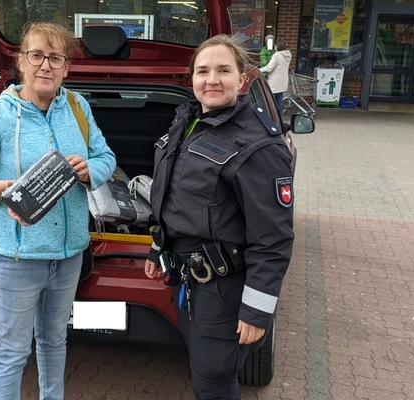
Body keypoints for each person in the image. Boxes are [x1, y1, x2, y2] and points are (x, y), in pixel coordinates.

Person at [0, 22, 116, 400]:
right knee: (12, 352)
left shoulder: (77, 108)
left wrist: (90, 169)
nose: (46, 65)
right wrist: (1, 189)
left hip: (68, 255)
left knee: (54, 341)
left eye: (55, 58)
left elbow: (106, 156)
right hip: (16, 260)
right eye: (37, 55)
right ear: (22, 62)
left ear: (65, 67)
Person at [144, 34, 294, 399]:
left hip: (225, 289)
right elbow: (175, 196)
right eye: (203, 71)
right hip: (189, 277)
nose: (212, 79)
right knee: (203, 370)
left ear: (243, 79)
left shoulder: (260, 144)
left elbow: (273, 238)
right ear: (191, 78)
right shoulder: (187, 121)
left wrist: (258, 311)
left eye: (224, 70)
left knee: (214, 383)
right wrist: (156, 246)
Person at [260, 38, 292, 116]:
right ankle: (279, 116)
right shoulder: (288, 55)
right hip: (283, 81)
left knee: (270, 100)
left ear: (277, 46)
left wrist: (258, 70)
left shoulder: (277, 55)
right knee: (279, 99)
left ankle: (271, 116)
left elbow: (269, 68)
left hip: (274, 82)